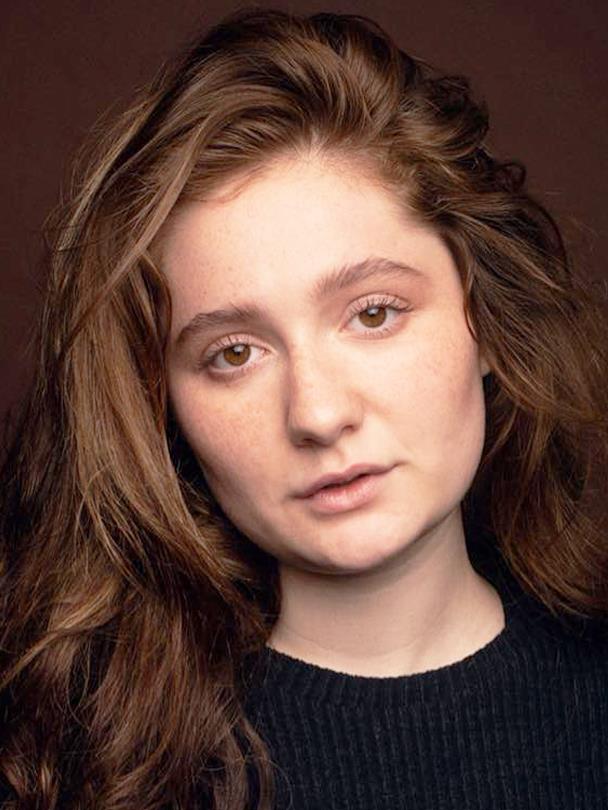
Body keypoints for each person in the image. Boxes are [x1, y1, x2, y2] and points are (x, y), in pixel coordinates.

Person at [1, 6, 607, 809]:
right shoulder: (74, 766)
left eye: (374, 313)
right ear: (162, 405)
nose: (318, 415)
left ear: (486, 321)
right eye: (234, 354)